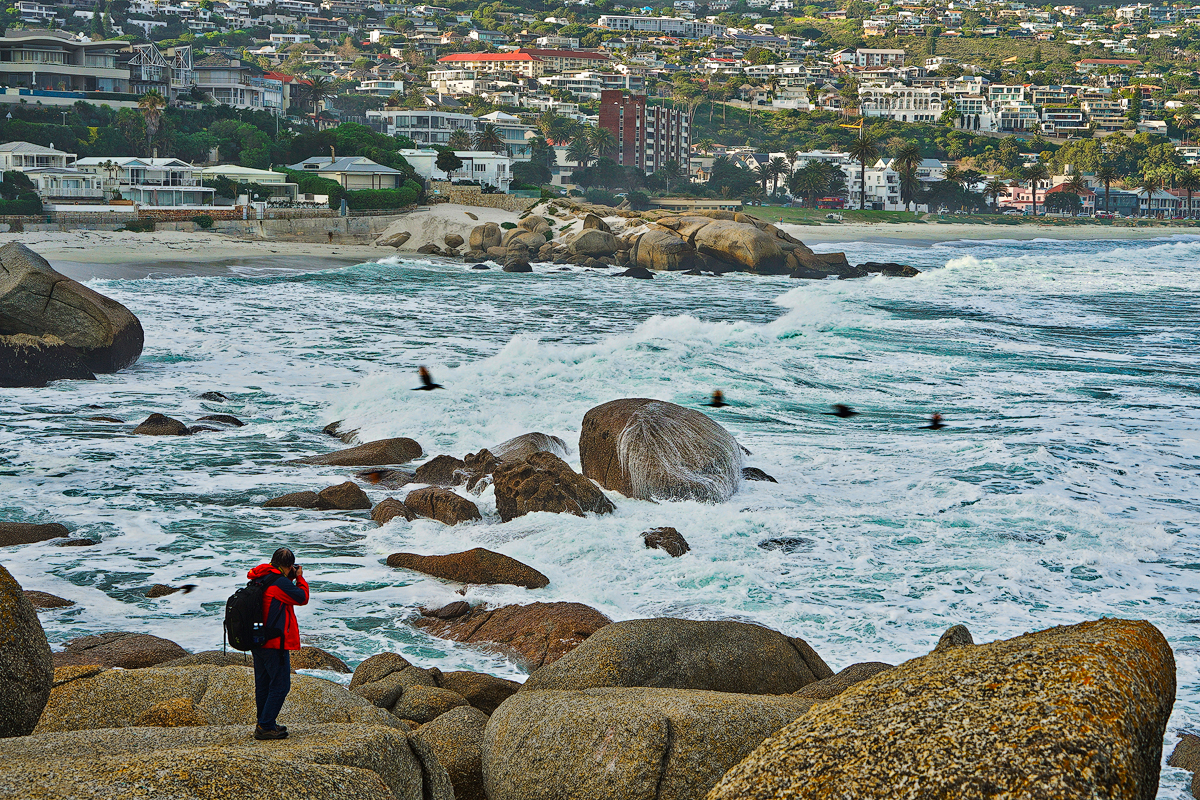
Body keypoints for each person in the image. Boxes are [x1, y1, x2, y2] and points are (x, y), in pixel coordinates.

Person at [246, 547, 309, 740]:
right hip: (274, 643)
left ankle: (264, 722)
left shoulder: (259, 577)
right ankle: (265, 725)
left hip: (257, 640)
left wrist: (288, 578)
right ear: (289, 566)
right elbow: (302, 598)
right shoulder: (280, 583)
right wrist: (300, 578)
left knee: (263, 684)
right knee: (281, 685)